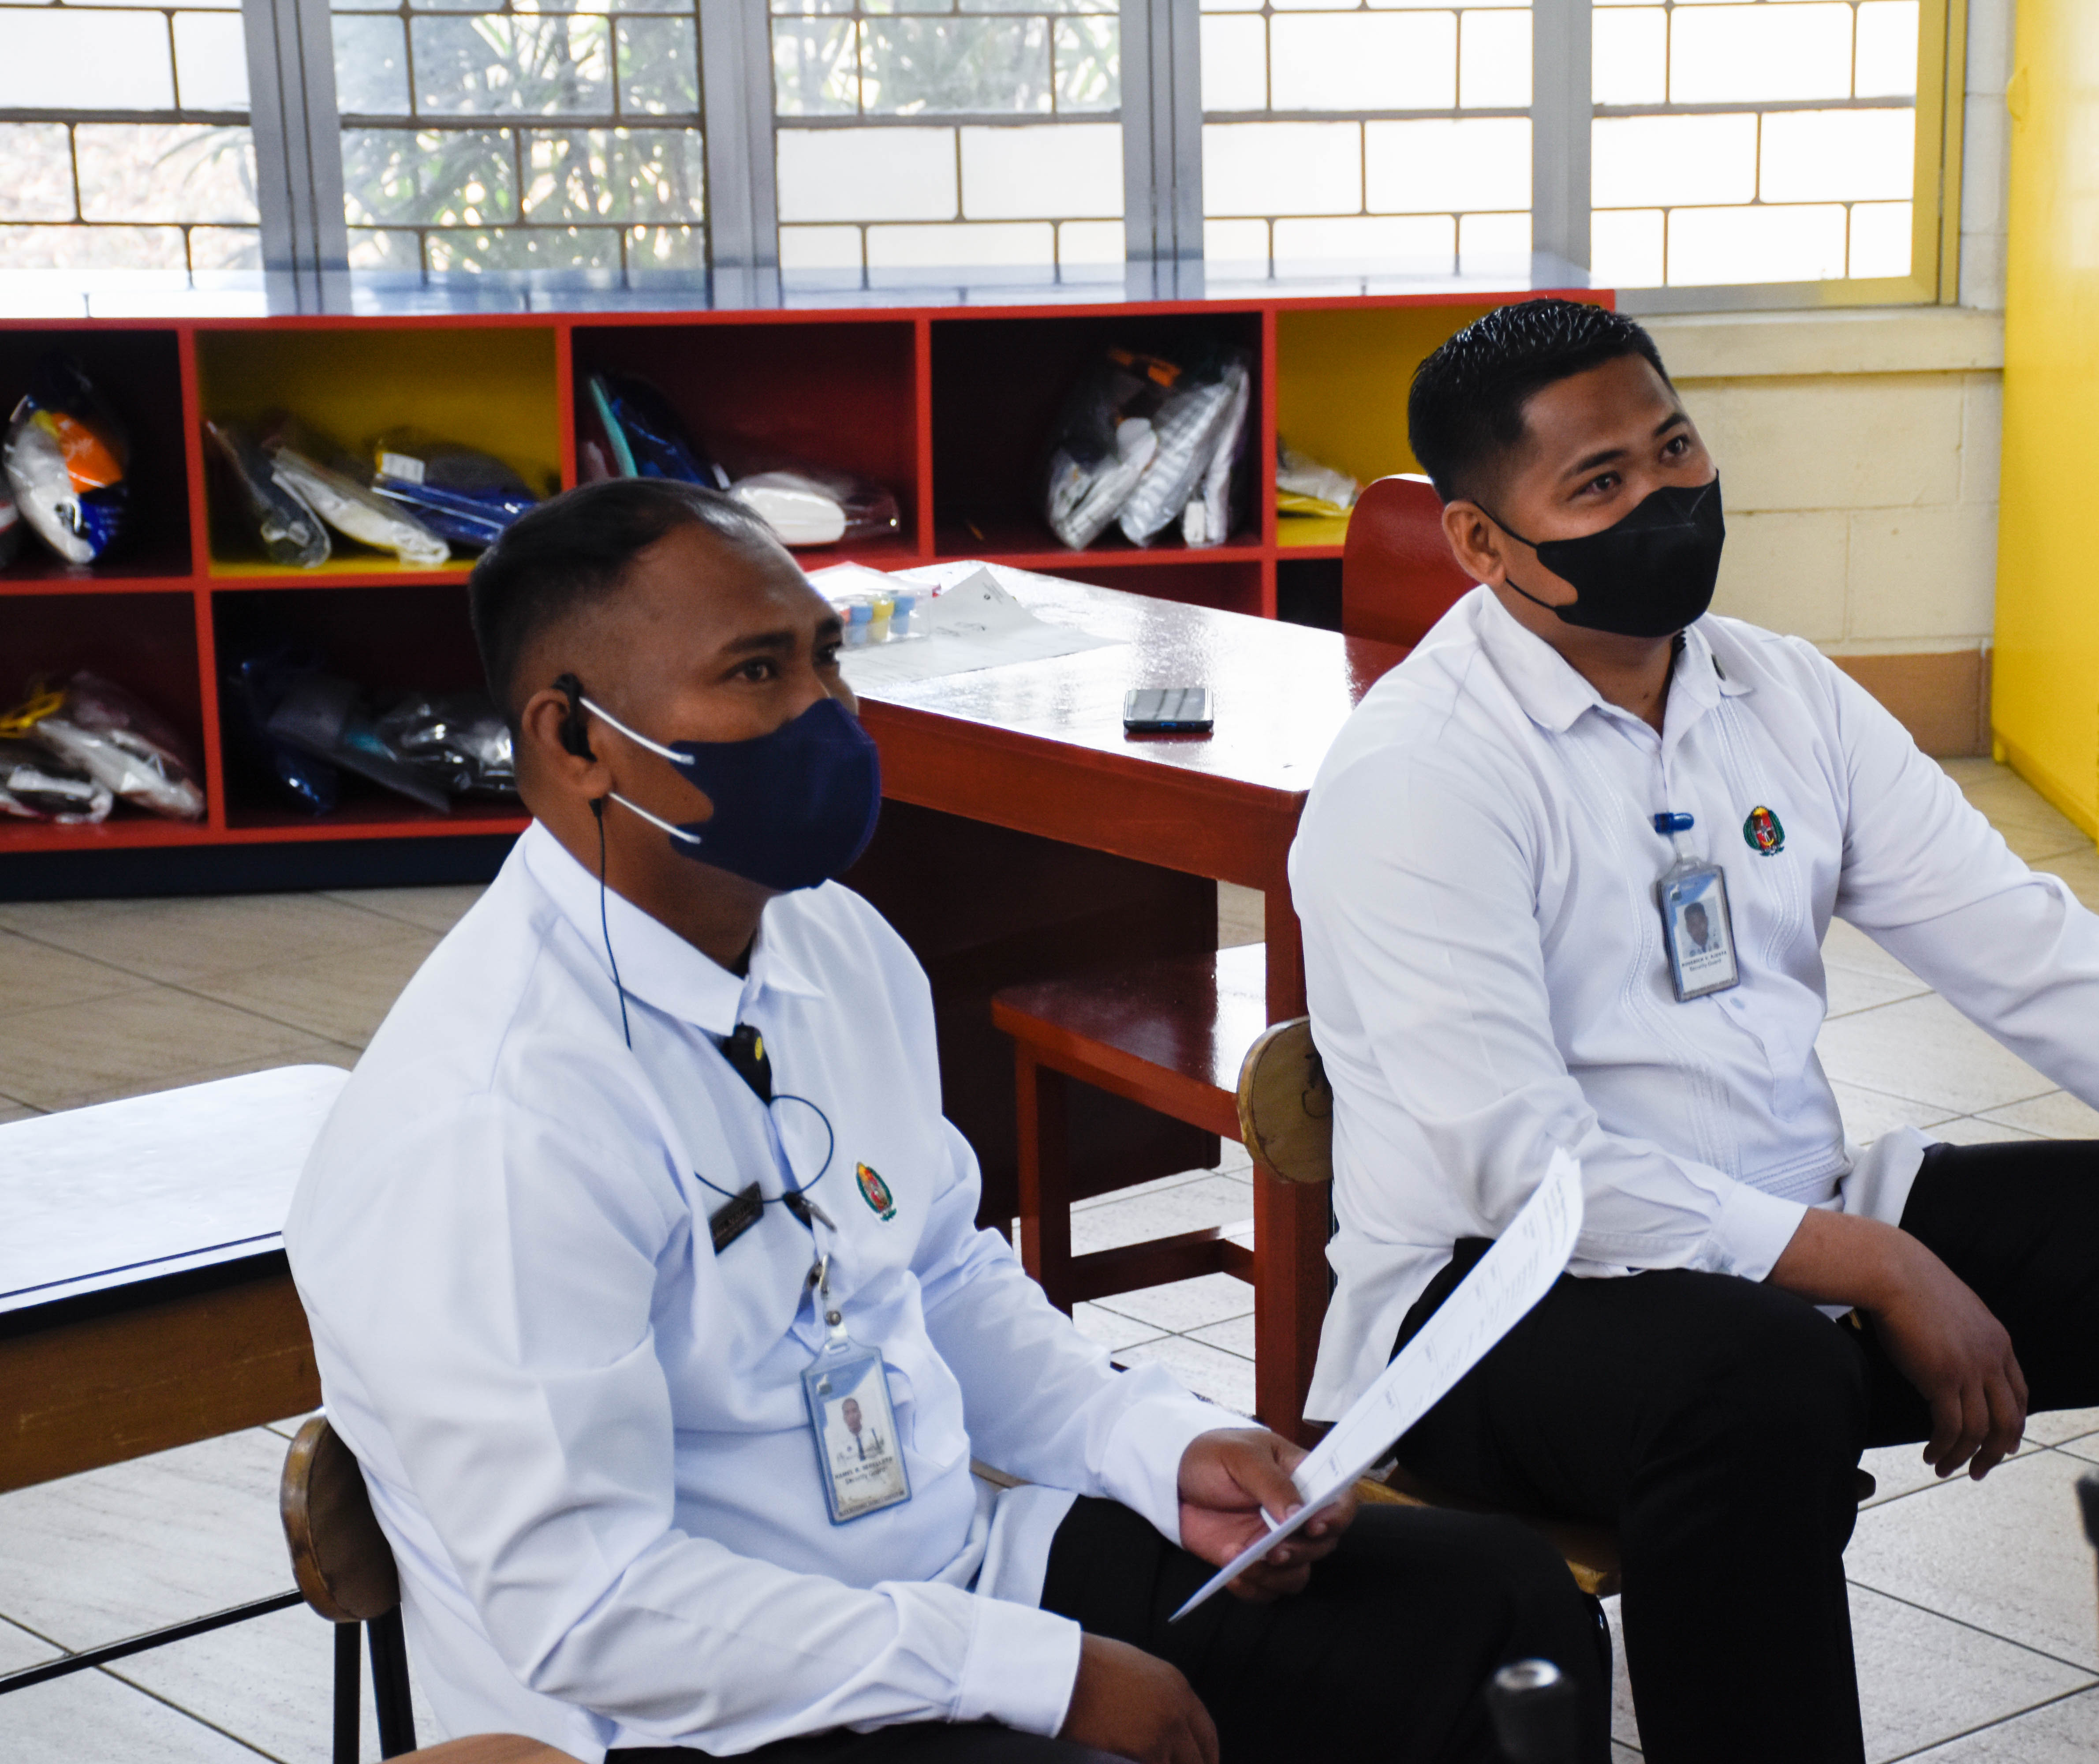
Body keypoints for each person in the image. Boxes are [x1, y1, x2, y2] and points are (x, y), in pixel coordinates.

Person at [1286, 301, 2099, 1764]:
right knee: (1757, 1376)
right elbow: (1530, 1174)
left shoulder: (1779, 693)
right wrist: (1882, 1265)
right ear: (1479, 542)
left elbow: (2032, 952)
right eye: (1599, 486)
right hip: (1488, 1311)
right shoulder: (1421, 775)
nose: (1664, 499)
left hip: (1794, 1240)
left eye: (1675, 448)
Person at [286, 479, 1609, 1764]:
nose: (827, 713)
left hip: (951, 1577)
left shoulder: (835, 944)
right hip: (698, 1715)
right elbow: (594, 1611)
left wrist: (1150, 1444)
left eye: (824, 660)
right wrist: (1042, 1675)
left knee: (1496, 1611)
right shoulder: (495, 1122)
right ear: (575, 742)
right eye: (756, 674)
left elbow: (936, 1271)